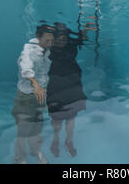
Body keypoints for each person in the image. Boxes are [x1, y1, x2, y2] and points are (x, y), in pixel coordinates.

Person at [11, 24, 55, 164]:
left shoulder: (46, 49)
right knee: (23, 130)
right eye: (47, 40)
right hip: (27, 96)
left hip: (40, 95)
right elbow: (26, 70)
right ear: (38, 37)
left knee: (37, 126)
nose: (50, 44)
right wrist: (36, 85)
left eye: (51, 41)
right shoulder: (28, 52)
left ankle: (36, 151)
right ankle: (20, 160)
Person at [46, 23, 87, 159]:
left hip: (72, 83)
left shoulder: (71, 44)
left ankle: (68, 141)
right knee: (57, 116)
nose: (62, 40)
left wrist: (84, 31)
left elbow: (82, 40)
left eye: (64, 37)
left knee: (71, 116)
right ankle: (56, 139)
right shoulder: (49, 47)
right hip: (58, 83)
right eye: (59, 37)